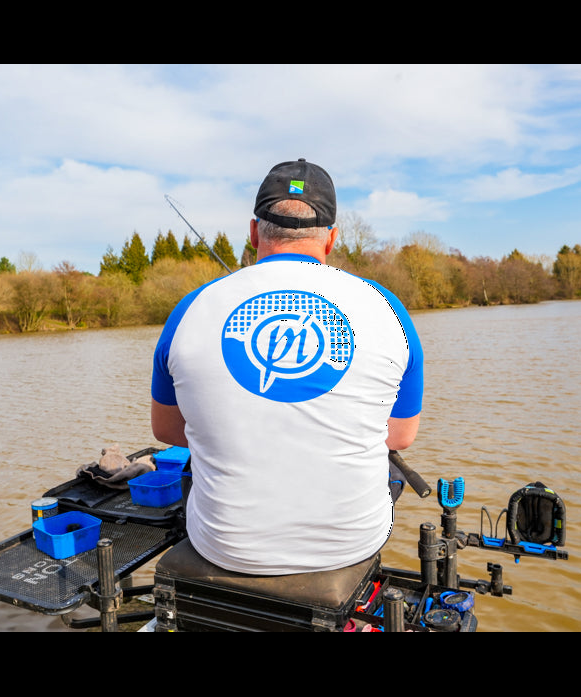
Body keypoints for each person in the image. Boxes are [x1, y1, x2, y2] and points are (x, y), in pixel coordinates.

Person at [151, 158, 423, 575]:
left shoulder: (191, 309)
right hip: (353, 542)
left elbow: (168, 430)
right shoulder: (387, 309)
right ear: (331, 238)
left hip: (223, 546)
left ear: (255, 231)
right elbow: (400, 436)